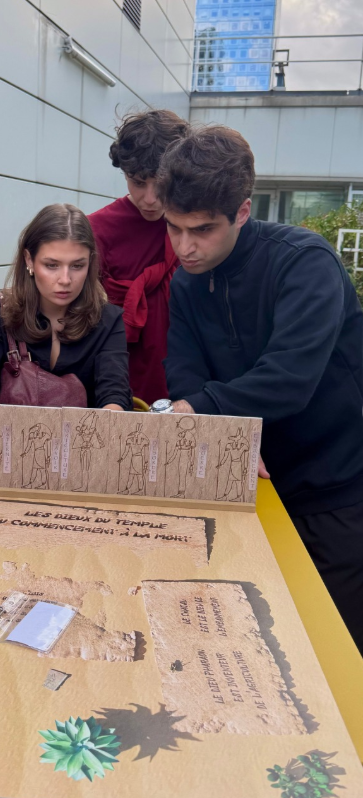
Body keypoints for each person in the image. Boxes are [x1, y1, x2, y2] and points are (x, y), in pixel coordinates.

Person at [157, 124, 363, 653]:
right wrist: (224, 434)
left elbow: (289, 378)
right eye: (174, 227)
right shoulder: (187, 281)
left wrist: (202, 412)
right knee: (257, 641)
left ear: (243, 212)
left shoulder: (304, 262)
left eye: (202, 229)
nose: (184, 247)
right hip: (246, 484)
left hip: (334, 488)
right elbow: (184, 370)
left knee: (336, 644)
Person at [0, 203, 132, 411]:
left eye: (77, 266)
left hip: (86, 432)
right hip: (4, 431)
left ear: (90, 263)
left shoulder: (108, 319)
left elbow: (115, 396)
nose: (65, 279)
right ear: (29, 260)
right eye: (52, 265)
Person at [88, 110, 188, 405]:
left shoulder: (196, 224)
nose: (150, 198)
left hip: (186, 369)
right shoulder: (96, 229)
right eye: (137, 182)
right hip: (116, 376)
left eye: (161, 183)